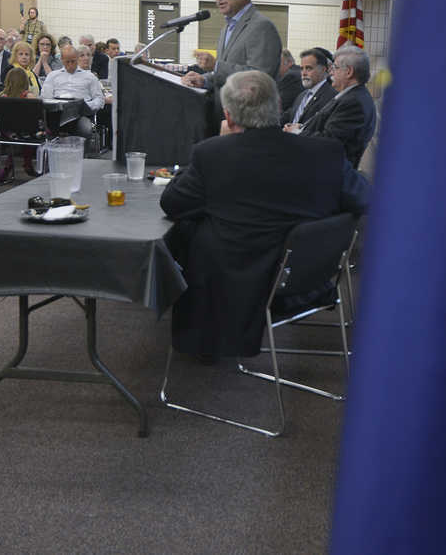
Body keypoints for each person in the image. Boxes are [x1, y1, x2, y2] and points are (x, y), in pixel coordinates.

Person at [160, 70, 369, 357]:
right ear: (279, 105)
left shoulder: (212, 155)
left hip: (228, 283)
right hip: (305, 279)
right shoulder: (326, 154)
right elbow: (365, 199)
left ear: (229, 115)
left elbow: (172, 203)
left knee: (188, 230)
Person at [181, 0, 281, 92]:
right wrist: (204, 79)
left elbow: (259, 78)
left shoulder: (261, 26)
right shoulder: (227, 28)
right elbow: (224, 76)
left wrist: (216, 66)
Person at [285, 45, 377, 169]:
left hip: (328, 172)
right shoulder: (349, 96)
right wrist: (301, 127)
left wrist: (298, 132)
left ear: (349, 72)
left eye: (335, 67)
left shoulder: (353, 102)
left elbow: (330, 142)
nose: (331, 72)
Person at [39, 45, 104, 114]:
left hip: (82, 113)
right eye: (67, 62)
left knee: (84, 124)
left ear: (77, 58)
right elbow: (45, 98)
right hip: (58, 112)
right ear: (62, 60)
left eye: (73, 61)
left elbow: (99, 98)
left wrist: (88, 106)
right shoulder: (53, 76)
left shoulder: (90, 76)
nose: (70, 64)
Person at [281, 47, 336, 126]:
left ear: (323, 70)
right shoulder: (302, 95)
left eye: (308, 68)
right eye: (302, 69)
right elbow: (288, 117)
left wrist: (298, 131)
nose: (304, 73)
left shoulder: (331, 96)